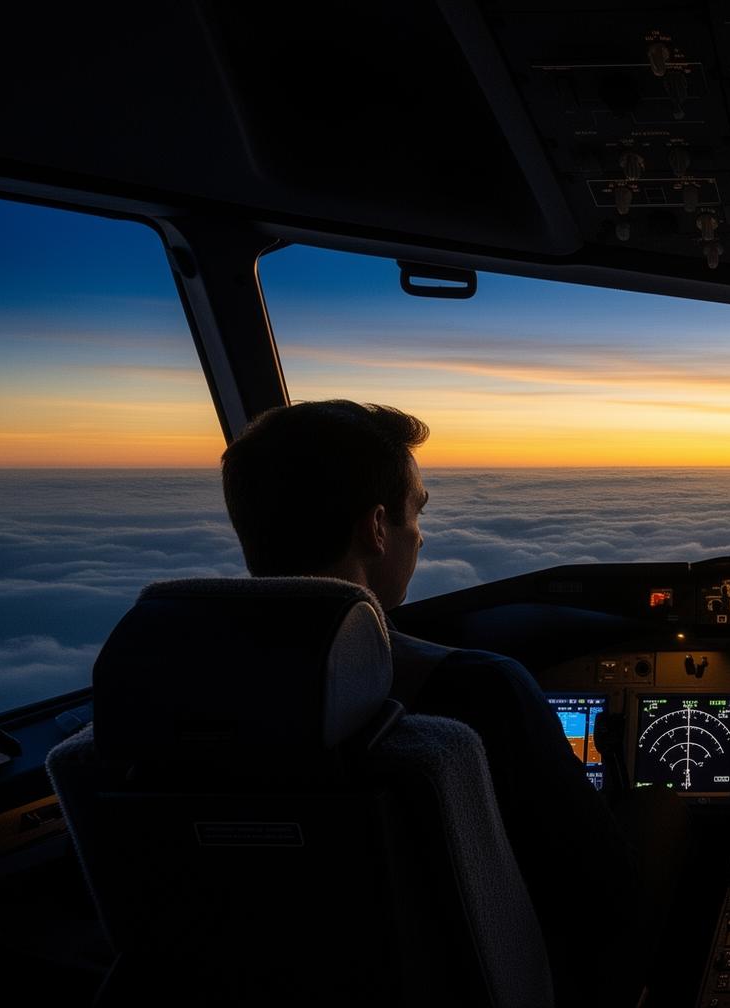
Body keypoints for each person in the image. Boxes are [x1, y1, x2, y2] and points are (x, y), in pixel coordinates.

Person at [220, 399, 666, 1007]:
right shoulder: (477, 690)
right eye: (416, 511)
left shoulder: (160, 699)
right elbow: (606, 901)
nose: (421, 535)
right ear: (377, 529)